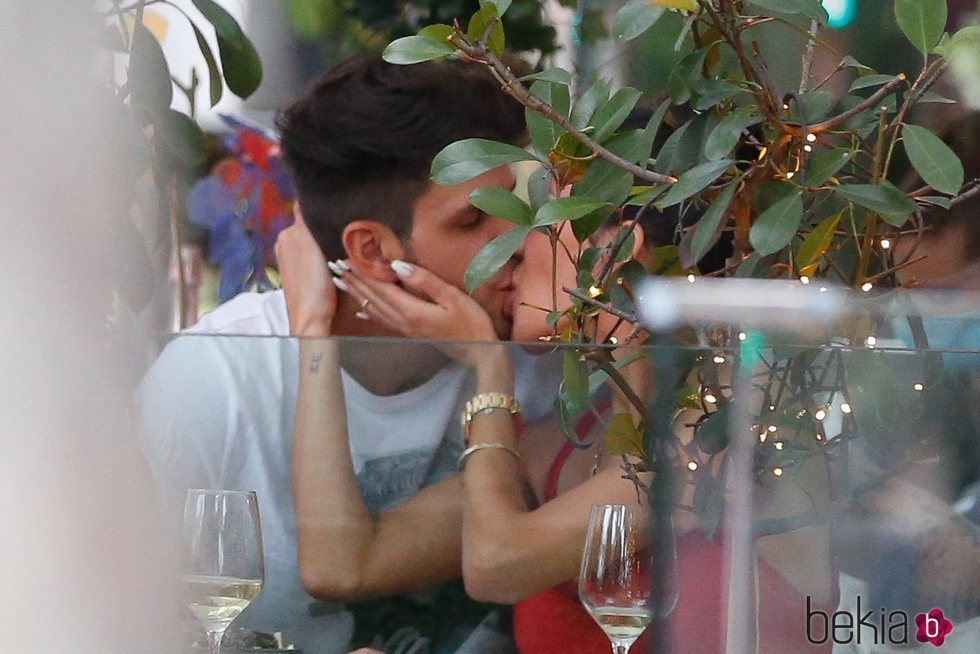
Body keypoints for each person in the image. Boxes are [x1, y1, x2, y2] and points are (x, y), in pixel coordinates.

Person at [136, 53, 550, 653]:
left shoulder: (536, 366)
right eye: (475, 221)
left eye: (518, 204)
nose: (519, 240)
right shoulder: (216, 376)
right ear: (374, 251)